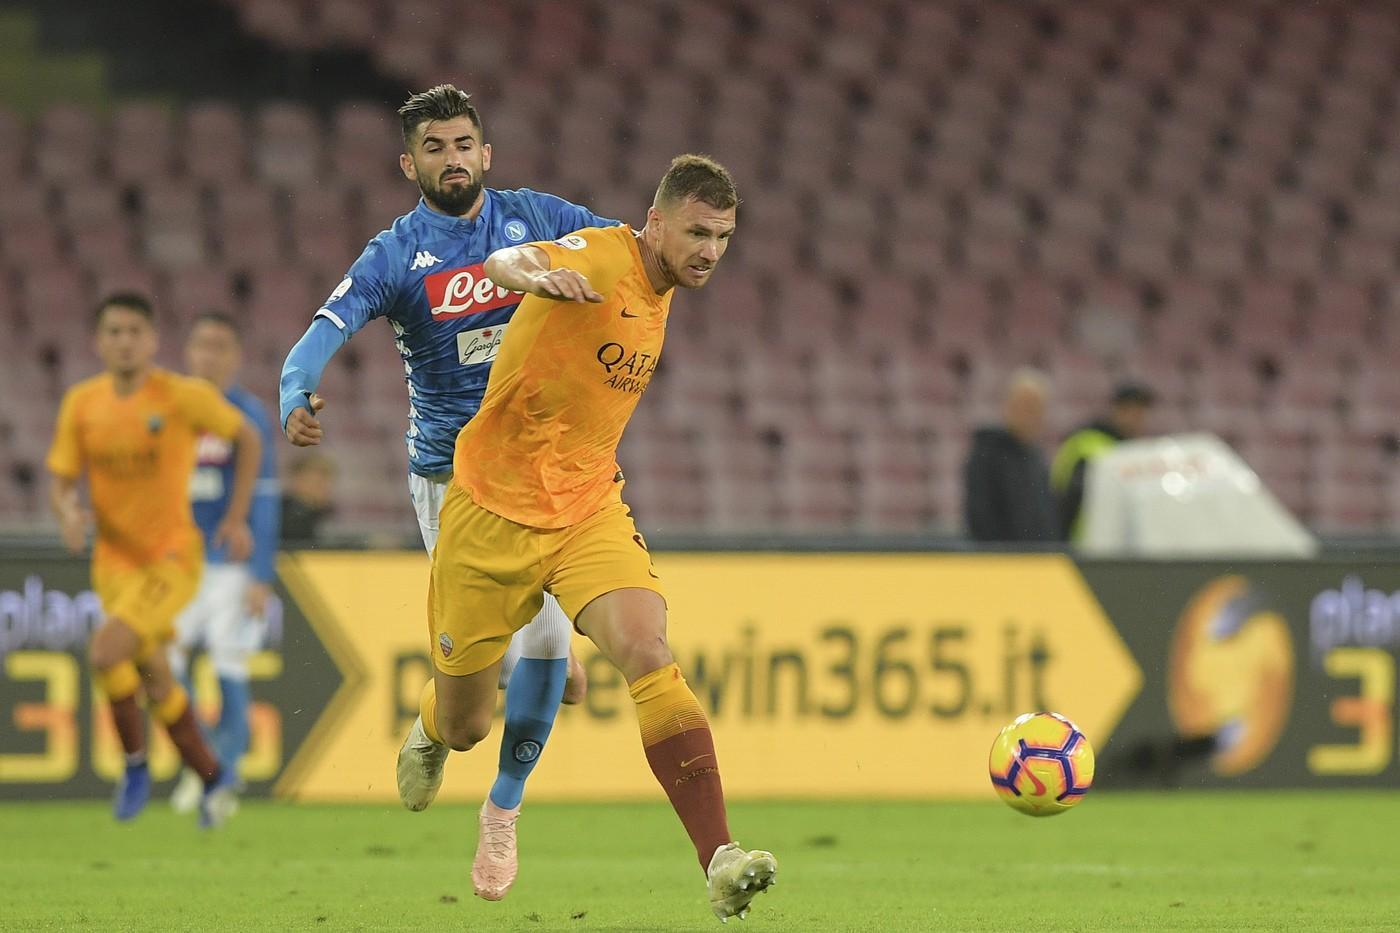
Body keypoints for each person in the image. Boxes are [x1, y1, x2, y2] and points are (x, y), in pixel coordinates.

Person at [397, 154, 778, 922]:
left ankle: (720, 858)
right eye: (698, 232)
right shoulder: (604, 254)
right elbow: (510, 257)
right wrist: (523, 272)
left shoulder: (665, 287)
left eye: (724, 237)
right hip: (488, 510)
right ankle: (433, 729)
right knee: (470, 722)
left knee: (648, 650)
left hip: (585, 507)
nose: (710, 250)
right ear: (656, 221)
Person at [278, 84, 613, 898]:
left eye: (464, 143)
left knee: (543, 647)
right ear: (410, 163)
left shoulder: (537, 217)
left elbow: (627, 250)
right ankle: (437, 725)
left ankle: (502, 815)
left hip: (544, 466)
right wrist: (296, 391)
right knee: (473, 715)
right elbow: (325, 328)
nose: (452, 158)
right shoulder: (394, 255)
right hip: (452, 481)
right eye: (435, 147)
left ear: (486, 153)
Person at [46, 292, 259, 828]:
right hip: (113, 564)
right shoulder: (82, 403)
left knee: (104, 651)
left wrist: (235, 518)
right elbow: (61, 480)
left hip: (171, 559)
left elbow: (249, 438)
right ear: (99, 341)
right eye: (114, 332)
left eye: (134, 331)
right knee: (157, 676)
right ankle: (212, 781)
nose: (124, 341)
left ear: (152, 340)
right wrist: (69, 512)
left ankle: (135, 765)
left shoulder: (180, 396)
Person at [167, 311, 281, 813]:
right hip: (175, 565)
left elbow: (265, 494)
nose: (208, 356)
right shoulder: (167, 410)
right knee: (162, 668)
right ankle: (207, 761)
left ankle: (221, 774)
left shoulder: (248, 414)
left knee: (229, 662)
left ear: (234, 356)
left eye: (219, 346)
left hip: (230, 564)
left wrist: (260, 574)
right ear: (188, 353)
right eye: (201, 345)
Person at [1051, 380, 1156, 540]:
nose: (1138, 419)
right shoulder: (1091, 445)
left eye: (1141, 413)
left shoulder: (1124, 449)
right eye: (1133, 411)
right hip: (1084, 544)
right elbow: (1069, 501)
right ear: (1118, 411)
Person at [963, 368, 1059, 543]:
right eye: (1025, 406)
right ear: (1007, 407)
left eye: (1037, 408)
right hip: (1003, 564)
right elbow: (981, 517)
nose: (1031, 416)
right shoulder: (987, 455)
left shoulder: (1035, 457)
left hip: (1038, 562)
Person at [280, 453, 336, 545]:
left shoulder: (323, 514)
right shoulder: (282, 515)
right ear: (298, 480)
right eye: (318, 483)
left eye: (328, 482)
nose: (326, 488)